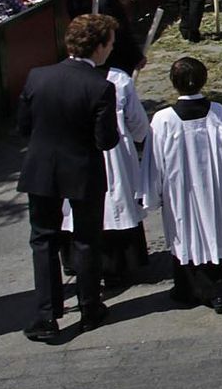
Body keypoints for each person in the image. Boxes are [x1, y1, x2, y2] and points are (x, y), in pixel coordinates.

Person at [15, 14, 120, 343]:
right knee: (87, 238)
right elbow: (106, 140)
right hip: (82, 169)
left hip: (42, 167)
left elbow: (23, 127)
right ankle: (90, 306)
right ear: (100, 47)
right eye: (110, 44)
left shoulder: (37, 77)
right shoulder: (100, 86)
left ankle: (46, 315)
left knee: (43, 239)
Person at [139, 57, 222, 312]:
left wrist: (153, 193)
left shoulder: (163, 120)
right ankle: (220, 289)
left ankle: (194, 290)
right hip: (216, 189)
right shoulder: (218, 112)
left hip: (181, 193)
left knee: (189, 234)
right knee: (217, 230)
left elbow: (154, 162)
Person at [61, 59, 153, 288]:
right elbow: (139, 125)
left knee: (78, 209)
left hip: (73, 153)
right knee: (114, 200)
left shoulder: (57, 77)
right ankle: (115, 266)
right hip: (111, 151)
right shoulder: (117, 79)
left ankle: (76, 260)